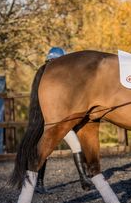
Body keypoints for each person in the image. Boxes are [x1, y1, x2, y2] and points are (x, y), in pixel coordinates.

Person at [35, 47, 94, 193]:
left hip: (59, 122)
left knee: (74, 145)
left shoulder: (57, 79)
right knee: (48, 150)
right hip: (50, 122)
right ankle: (39, 183)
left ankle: (83, 178)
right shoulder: (47, 79)